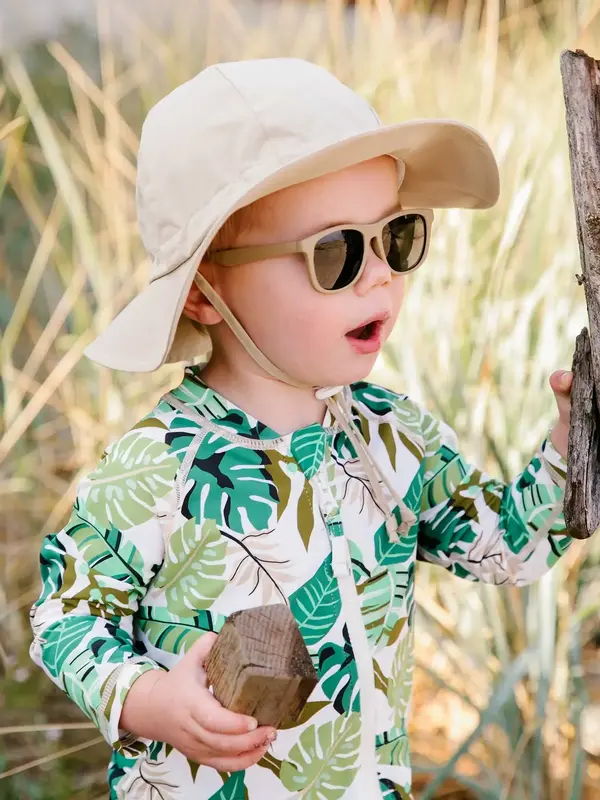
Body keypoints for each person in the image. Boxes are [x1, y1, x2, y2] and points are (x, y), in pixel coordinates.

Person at [29, 58, 575, 799]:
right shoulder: (159, 463)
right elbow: (66, 615)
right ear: (204, 293)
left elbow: (506, 547)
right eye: (338, 253)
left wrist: (570, 444)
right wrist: (151, 700)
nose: (381, 274)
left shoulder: (394, 437)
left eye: (398, 236)